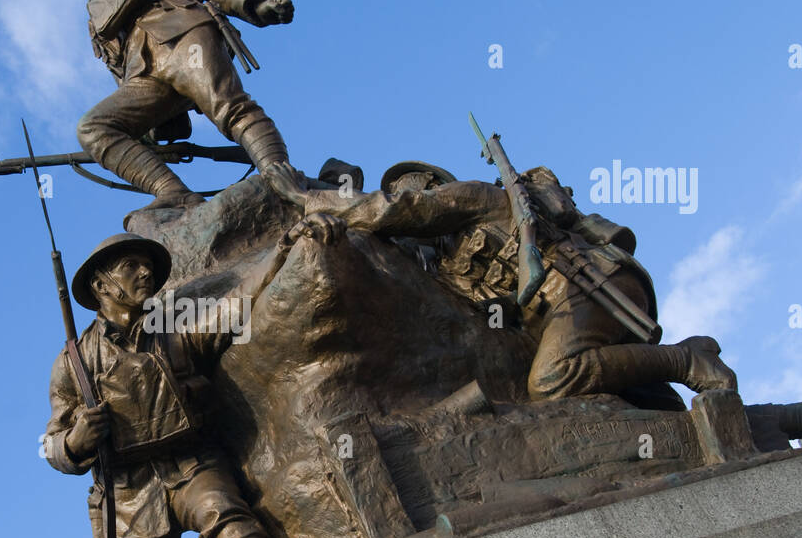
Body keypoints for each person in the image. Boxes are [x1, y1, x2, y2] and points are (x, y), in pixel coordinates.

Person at [43, 219, 342, 538]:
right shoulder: (73, 363)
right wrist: (75, 441)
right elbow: (51, 445)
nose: (144, 272)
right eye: (130, 266)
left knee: (229, 521)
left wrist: (281, 250)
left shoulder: (172, 329)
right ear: (100, 285)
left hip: (191, 464)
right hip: (127, 496)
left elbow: (235, 306)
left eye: (147, 265)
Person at [264, 160, 738, 404]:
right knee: (648, 409)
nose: (403, 193)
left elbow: (399, 212)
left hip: (586, 283)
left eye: (409, 184)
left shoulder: (473, 197)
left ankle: (684, 357)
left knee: (552, 382)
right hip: (563, 313)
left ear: (431, 182)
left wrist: (305, 196)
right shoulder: (445, 268)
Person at [63, 0, 295, 209]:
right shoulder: (95, 15)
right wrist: (147, 138)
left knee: (230, 108)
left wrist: (256, 6)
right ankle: (173, 192)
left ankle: (280, 177)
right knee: (93, 127)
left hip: (186, 34)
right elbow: (116, 69)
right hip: (143, 71)